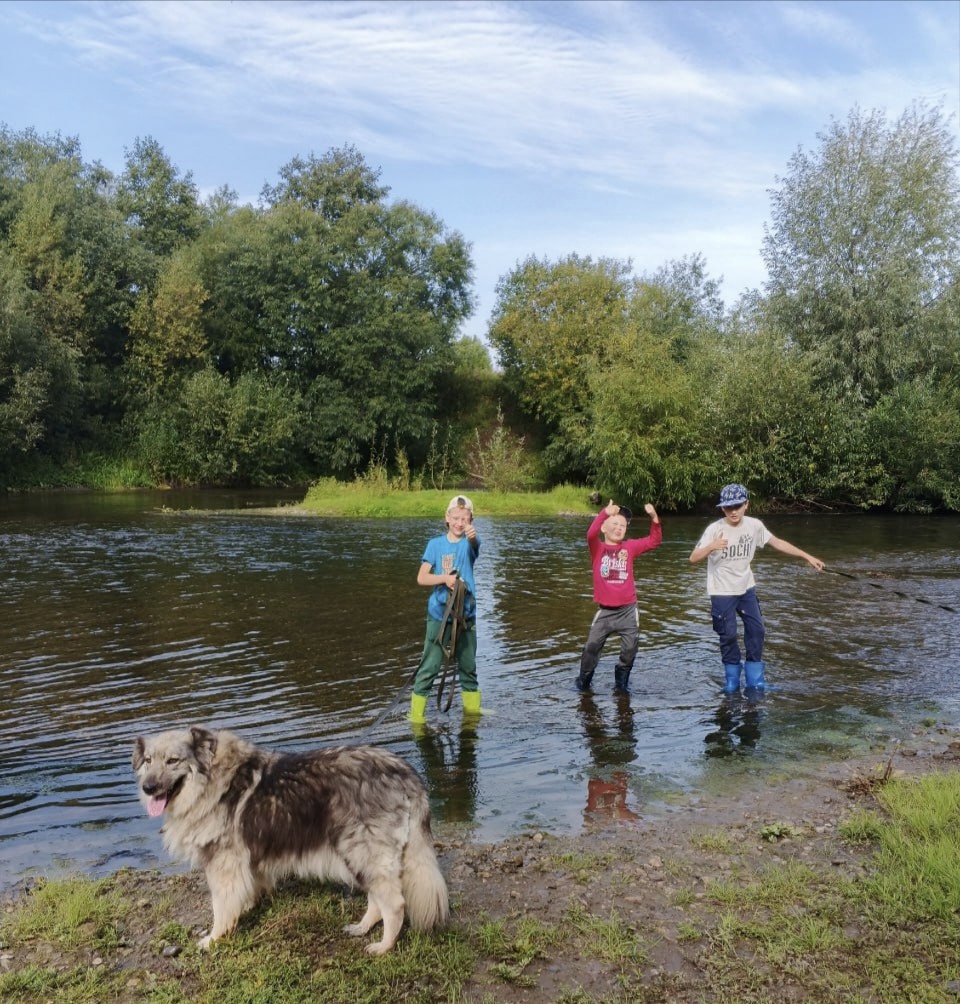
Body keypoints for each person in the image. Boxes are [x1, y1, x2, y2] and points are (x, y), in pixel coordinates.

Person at [689, 483, 825, 692]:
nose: (733, 511)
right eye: (727, 507)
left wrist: (807, 556)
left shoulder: (754, 526)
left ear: (746, 504)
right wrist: (711, 547)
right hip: (722, 591)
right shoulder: (714, 529)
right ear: (722, 508)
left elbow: (777, 542)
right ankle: (732, 682)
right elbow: (693, 558)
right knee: (729, 635)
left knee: (757, 630)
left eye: (737, 506)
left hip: (746, 589)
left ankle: (755, 680)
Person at [409, 495, 483, 723]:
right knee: (429, 668)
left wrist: (473, 537)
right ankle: (415, 716)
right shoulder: (435, 544)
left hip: (466, 617)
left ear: (471, 520)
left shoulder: (471, 544)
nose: (460, 523)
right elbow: (422, 578)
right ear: (447, 518)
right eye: (456, 518)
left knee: (468, 668)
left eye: (465, 519)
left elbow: (475, 543)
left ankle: (473, 715)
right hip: (439, 618)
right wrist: (444, 579)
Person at [576, 499, 662, 693]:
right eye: (614, 524)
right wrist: (605, 512)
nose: (618, 528)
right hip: (605, 611)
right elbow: (590, 533)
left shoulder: (629, 547)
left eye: (622, 525)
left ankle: (621, 684)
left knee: (630, 650)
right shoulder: (597, 548)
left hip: (628, 610)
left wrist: (654, 518)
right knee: (591, 647)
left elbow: (654, 541)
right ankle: (583, 682)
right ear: (604, 528)